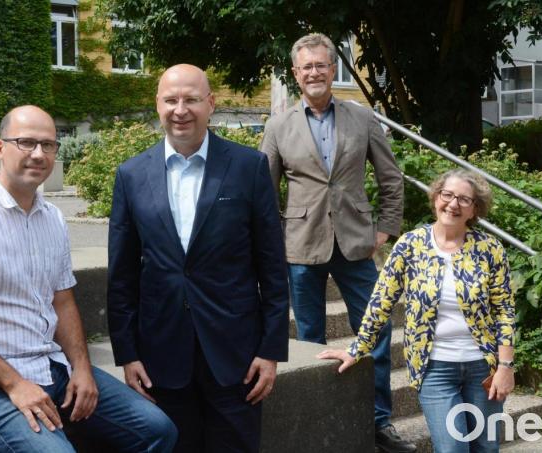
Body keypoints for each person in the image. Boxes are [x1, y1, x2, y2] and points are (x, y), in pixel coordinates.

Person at [0, 105, 177, 452]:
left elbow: (62, 300)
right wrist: (15, 384)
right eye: (26, 142)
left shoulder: (53, 218)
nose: (38, 154)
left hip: (50, 365)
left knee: (157, 429)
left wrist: (82, 369)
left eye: (48, 145)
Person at [107, 64, 289, 453]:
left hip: (236, 356)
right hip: (160, 356)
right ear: (157, 104)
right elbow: (122, 275)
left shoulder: (249, 167)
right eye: (170, 100)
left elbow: (272, 265)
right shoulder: (131, 175)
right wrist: (127, 354)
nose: (180, 110)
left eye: (191, 99)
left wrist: (271, 350)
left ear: (211, 103)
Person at [260, 33, 413, 452]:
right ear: (296, 74)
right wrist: (272, 241)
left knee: (377, 329)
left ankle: (379, 422)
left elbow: (391, 177)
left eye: (321, 65)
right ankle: (320, 421)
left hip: (356, 242)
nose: (314, 72)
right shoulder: (278, 126)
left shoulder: (362, 118)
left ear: (332, 70)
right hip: (301, 245)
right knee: (310, 340)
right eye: (306, 67)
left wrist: (386, 228)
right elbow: (262, 191)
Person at [317, 169, 516, 453]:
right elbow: (381, 301)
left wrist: (506, 367)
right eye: (447, 195)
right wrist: (357, 348)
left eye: (464, 199)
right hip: (434, 367)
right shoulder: (411, 245)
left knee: (486, 446)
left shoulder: (489, 249)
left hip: (483, 367)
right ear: (436, 197)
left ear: (475, 209)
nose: (453, 204)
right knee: (452, 448)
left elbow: (504, 311)